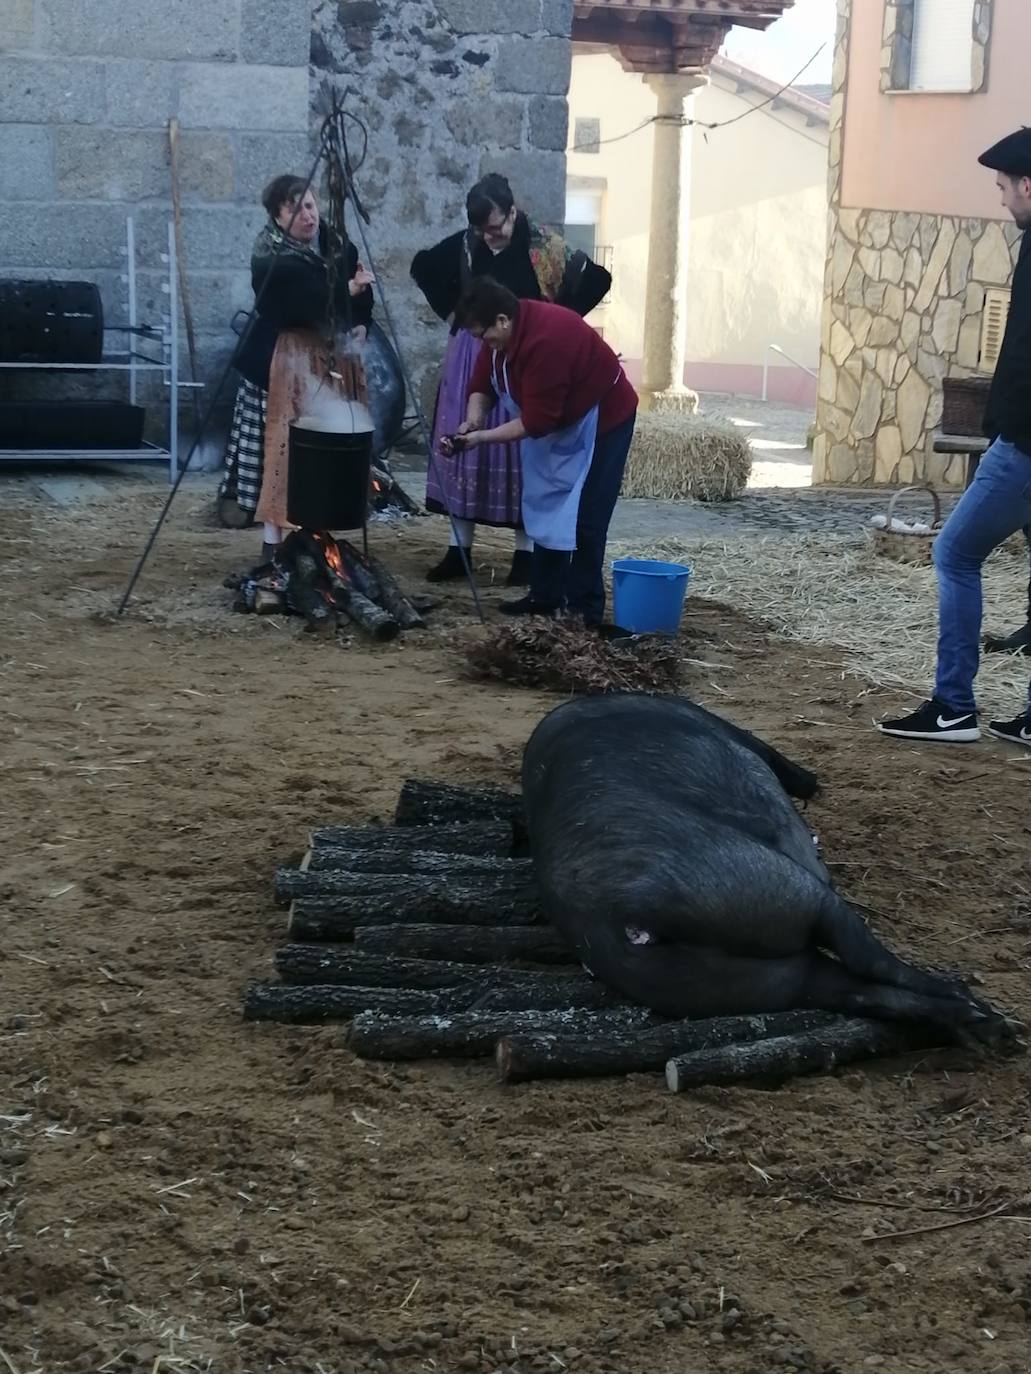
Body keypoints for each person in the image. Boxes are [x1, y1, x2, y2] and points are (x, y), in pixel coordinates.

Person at [878, 127, 1031, 748]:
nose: (1000, 199)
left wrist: (1005, 428)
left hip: (1023, 447)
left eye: (1002, 187)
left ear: (1028, 184)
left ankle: (953, 708)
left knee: (955, 555)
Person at [411, 173, 611, 585]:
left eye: (497, 226)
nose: (491, 236)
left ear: (513, 211)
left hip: (530, 357)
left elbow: (597, 278)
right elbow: (423, 266)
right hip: (474, 356)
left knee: (527, 458)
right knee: (464, 449)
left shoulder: (543, 246)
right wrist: (454, 316)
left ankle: (525, 556)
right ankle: (458, 549)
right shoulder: (468, 245)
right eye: (483, 230)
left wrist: (564, 322)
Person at [443, 277, 637, 626]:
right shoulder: (500, 337)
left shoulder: (548, 341)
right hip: (560, 421)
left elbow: (537, 422)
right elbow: (481, 385)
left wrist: (482, 438)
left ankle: (584, 609)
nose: (481, 342)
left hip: (603, 419)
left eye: (482, 334)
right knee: (546, 501)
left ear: (502, 320)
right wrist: (472, 423)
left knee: (586, 516)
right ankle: (545, 596)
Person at [219, 174, 374, 563]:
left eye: (311, 205)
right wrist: (344, 291)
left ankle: (317, 539)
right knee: (284, 450)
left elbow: (360, 290)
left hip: (332, 359)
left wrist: (360, 321)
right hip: (284, 362)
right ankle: (273, 543)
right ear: (278, 216)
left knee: (326, 449)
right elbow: (295, 303)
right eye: (297, 208)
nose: (309, 215)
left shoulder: (336, 244)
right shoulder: (271, 259)